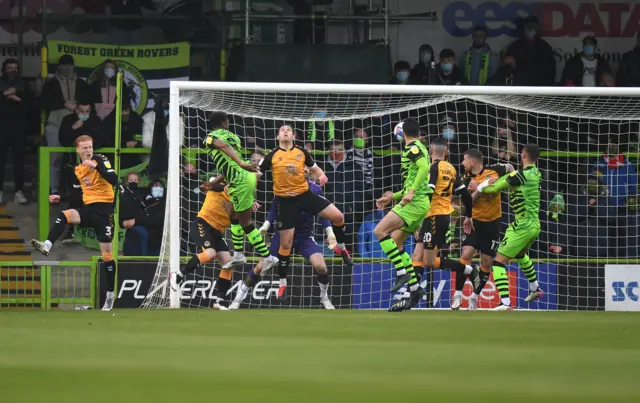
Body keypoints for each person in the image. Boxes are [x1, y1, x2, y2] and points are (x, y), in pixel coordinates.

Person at [31, 135, 118, 311]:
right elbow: (78, 195)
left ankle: (110, 295)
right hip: (88, 209)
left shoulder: (101, 160)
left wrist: (98, 167)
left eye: (90, 147)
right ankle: (47, 245)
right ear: (77, 150)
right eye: (85, 148)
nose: (88, 151)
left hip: (105, 212)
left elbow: (114, 180)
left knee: (107, 255)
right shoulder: (78, 169)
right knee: (65, 215)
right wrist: (60, 197)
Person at [258, 125, 350, 286]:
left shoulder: (302, 152)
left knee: (338, 216)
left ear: (293, 136)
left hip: (305, 196)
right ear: (277, 137)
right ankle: (282, 283)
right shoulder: (270, 156)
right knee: (285, 246)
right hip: (286, 203)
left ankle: (342, 248)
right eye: (282, 130)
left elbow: (316, 170)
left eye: (288, 130)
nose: (285, 131)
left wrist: (321, 176)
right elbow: (256, 176)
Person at [469, 144, 545, 310]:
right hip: (535, 224)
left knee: (498, 262)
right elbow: (511, 178)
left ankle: (505, 302)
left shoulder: (520, 175)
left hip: (522, 225)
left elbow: (494, 189)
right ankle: (535, 287)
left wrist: (479, 186)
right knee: (520, 254)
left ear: (523, 155)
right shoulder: (537, 173)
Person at [203, 112, 279, 273]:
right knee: (233, 217)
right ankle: (238, 254)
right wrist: (213, 184)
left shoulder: (209, 138)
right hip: (239, 179)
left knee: (245, 223)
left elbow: (224, 147)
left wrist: (241, 163)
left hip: (241, 179)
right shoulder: (235, 137)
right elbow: (228, 167)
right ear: (224, 123)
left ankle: (267, 257)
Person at [410, 138, 478, 309]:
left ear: (430, 150)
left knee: (429, 261)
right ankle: (413, 294)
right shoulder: (452, 169)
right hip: (441, 217)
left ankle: (468, 270)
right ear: (446, 151)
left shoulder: (433, 167)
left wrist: (416, 217)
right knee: (417, 256)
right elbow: (466, 196)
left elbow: (429, 191)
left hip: (433, 216)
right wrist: (469, 216)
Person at [258, 170, 339, 309]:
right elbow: (273, 209)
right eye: (302, 167)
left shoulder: (315, 189)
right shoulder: (283, 187)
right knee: (260, 266)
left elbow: (323, 213)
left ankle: (324, 298)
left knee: (321, 267)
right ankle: (238, 299)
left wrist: (330, 232)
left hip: (304, 236)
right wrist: (265, 225)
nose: (305, 170)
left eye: (307, 167)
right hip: (283, 234)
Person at [372, 119, 430, 311]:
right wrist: (392, 198)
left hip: (415, 203)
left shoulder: (412, 148)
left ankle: (401, 271)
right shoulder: (419, 146)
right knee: (396, 242)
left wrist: (412, 191)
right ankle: (414, 290)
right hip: (419, 202)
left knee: (379, 231)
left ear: (401, 133)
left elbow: (424, 168)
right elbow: (410, 184)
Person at [453, 149, 514, 310]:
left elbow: (509, 167)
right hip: (474, 223)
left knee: (487, 263)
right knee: (466, 254)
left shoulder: (494, 170)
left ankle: (474, 296)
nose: (462, 163)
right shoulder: (465, 180)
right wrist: (480, 188)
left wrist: (514, 185)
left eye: (465, 160)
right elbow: (468, 203)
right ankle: (457, 295)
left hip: (493, 224)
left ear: (473, 161)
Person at [170, 178, 244, 310]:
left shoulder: (237, 200)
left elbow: (236, 219)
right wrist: (224, 187)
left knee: (228, 263)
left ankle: (219, 301)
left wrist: (247, 205)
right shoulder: (215, 189)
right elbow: (211, 186)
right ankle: (178, 275)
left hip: (217, 232)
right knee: (210, 253)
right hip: (203, 223)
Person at [41, 54, 92, 200]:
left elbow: (88, 102)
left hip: (76, 125)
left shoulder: (81, 84)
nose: (67, 68)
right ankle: (54, 190)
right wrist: (63, 104)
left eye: (70, 65)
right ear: (59, 67)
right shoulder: (51, 83)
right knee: (55, 158)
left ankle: (79, 191)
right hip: (55, 124)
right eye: (64, 65)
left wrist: (77, 106)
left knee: (77, 158)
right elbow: (43, 103)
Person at [0, 57, 32, 205]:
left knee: (19, 161)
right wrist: (5, 94)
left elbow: (32, 106)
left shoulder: (24, 85)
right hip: (1, 128)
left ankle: (18, 191)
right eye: (10, 68)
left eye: (15, 68)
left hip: (19, 128)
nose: (13, 70)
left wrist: (17, 98)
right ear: (4, 70)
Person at [504, 16, 555, 86]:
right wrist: (510, 65)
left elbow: (551, 71)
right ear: (524, 28)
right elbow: (505, 69)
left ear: (537, 28)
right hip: (519, 87)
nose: (530, 28)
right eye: (528, 26)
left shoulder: (545, 47)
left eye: (533, 26)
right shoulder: (515, 46)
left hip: (540, 88)